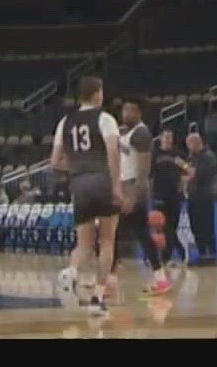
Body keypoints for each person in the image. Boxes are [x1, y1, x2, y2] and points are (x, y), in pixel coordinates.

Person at [51, 76, 123, 315]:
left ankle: (70, 271)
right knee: (108, 242)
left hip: (79, 185)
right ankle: (97, 299)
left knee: (84, 245)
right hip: (102, 181)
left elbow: (54, 162)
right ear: (96, 94)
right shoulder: (105, 119)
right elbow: (113, 153)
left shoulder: (65, 121)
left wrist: (77, 169)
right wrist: (116, 186)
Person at [116, 100, 173, 295]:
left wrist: (133, 196)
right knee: (123, 234)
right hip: (125, 186)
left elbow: (143, 170)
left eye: (130, 110)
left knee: (126, 233)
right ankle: (159, 277)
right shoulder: (128, 132)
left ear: (140, 113)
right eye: (124, 109)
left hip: (134, 188)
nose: (126, 113)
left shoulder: (141, 133)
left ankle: (159, 277)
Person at [150, 128, 188, 270]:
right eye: (165, 137)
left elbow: (189, 170)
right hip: (159, 196)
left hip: (175, 196)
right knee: (164, 228)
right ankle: (169, 256)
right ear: (160, 138)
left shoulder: (177, 154)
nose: (168, 139)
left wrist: (182, 182)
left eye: (170, 137)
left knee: (172, 227)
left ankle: (174, 255)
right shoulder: (155, 154)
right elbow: (149, 175)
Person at [183, 131, 217, 265]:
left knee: (206, 227)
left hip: (204, 197)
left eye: (190, 144)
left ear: (197, 142)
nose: (189, 148)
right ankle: (202, 254)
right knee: (196, 227)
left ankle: (211, 256)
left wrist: (186, 171)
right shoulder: (192, 157)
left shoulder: (207, 156)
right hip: (193, 197)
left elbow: (200, 174)